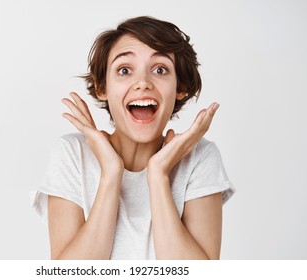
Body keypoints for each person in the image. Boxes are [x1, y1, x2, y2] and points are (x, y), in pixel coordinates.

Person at [31, 16, 235, 260]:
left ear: (180, 87)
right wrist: (111, 173)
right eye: (124, 70)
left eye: (160, 69)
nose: (142, 83)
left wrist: (158, 174)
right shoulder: (73, 153)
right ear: (102, 88)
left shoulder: (199, 157)